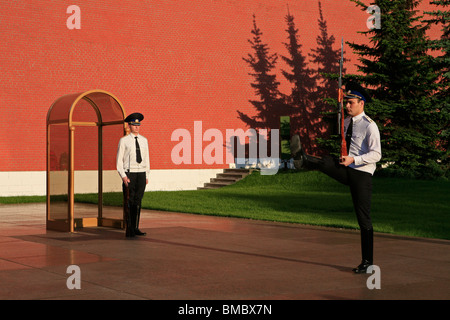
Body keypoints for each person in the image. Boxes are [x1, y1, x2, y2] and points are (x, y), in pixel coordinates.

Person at [290, 81, 382, 273]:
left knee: (363, 219)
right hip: (346, 166)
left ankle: (367, 262)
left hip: (361, 174)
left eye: (351, 102)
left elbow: (376, 155)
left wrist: (353, 159)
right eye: (346, 102)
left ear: (361, 103)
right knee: (325, 162)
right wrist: (345, 158)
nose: (347, 106)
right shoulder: (347, 122)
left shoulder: (370, 126)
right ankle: (303, 160)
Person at [116, 112, 150, 237]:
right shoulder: (124, 141)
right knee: (129, 201)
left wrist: (146, 175)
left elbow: (146, 158)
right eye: (134, 125)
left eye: (138, 125)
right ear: (129, 126)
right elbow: (119, 160)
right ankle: (129, 228)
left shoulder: (144, 140)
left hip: (140, 173)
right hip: (130, 174)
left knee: (138, 201)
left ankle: (135, 227)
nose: (137, 127)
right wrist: (123, 176)